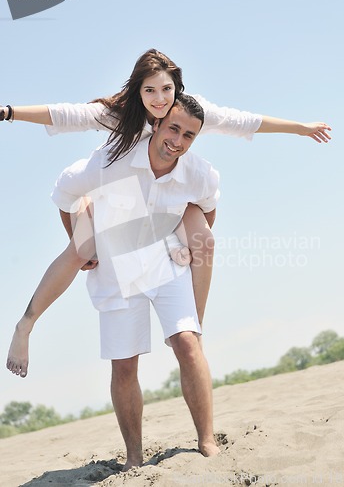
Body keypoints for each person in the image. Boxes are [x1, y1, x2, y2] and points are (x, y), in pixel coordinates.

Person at [4, 48, 332, 378]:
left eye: (166, 89)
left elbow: (245, 121)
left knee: (204, 240)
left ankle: (194, 327)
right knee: (82, 251)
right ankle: (26, 324)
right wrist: (7, 112)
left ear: (177, 86)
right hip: (111, 188)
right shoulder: (121, 114)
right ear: (138, 91)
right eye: (150, 90)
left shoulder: (191, 111)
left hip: (166, 190)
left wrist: (299, 128)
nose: (159, 99)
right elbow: (62, 115)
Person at [51, 94, 220, 468]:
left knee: (188, 343)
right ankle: (133, 457)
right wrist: (81, 245)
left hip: (165, 262)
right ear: (156, 124)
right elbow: (65, 193)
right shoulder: (115, 156)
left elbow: (208, 208)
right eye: (173, 128)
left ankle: (207, 441)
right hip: (116, 269)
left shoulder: (199, 174)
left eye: (189, 135)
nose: (177, 141)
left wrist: (188, 240)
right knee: (124, 365)